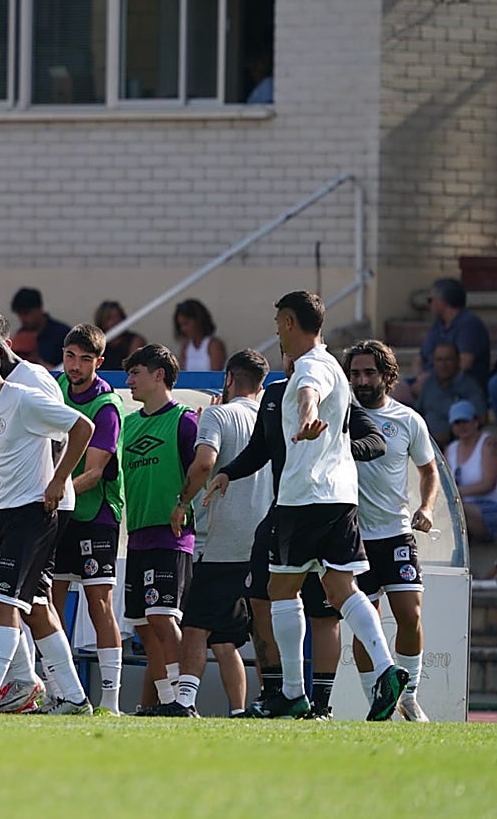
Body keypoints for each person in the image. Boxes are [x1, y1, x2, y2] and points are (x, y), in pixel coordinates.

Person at [252, 290, 407, 721]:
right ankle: (387, 669)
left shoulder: (310, 367)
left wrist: (305, 418)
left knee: (280, 589)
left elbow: (307, 394)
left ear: (287, 322)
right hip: (340, 496)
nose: (276, 331)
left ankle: (292, 692)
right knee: (342, 590)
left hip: (304, 497)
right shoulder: (332, 364)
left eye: (278, 322)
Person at [209, 352, 386, 721]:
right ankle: (277, 693)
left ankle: (319, 703)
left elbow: (375, 441)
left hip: (320, 505)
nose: (289, 354)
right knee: (262, 597)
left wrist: (335, 447)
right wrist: (228, 472)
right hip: (283, 511)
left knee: (326, 611)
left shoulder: (333, 390)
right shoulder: (274, 395)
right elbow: (259, 448)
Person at [0, 335, 95, 715]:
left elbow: (82, 427)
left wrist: (60, 479)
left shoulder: (25, 398)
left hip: (33, 512)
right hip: (2, 512)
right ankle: (76, 699)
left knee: (4, 600)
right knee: (36, 606)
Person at [171, 349, 271, 717]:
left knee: (195, 625)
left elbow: (204, 464)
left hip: (220, 541)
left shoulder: (217, 414)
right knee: (240, 635)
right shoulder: (269, 418)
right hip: (261, 541)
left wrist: (182, 502)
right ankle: (255, 706)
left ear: (228, 378)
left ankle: (183, 702)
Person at [345, 339, 439, 722]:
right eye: (355, 374)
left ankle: (409, 695)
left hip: (396, 532)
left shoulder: (408, 420)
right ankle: (376, 701)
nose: (361, 380)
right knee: (366, 620)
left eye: (369, 373)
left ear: (387, 375)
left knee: (410, 614)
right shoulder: (342, 415)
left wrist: (428, 507)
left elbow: (429, 470)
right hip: (354, 536)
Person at [50, 323, 125, 714]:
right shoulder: (56, 389)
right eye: (69, 356)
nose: (74, 366)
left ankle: (110, 700)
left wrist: (55, 488)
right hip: (59, 510)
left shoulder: (106, 406)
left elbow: (95, 471)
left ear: (99, 361)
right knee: (49, 599)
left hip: (95, 514)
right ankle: (61, 692)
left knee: (99, 602)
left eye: (84, 359)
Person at [120, 344, 198, 715]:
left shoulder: (185, 420)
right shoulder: (130, 423)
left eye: (136, 372)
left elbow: (201, 471)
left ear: (159, 375)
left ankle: (185, 698)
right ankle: (168, 702)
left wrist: (182, 505)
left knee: (163, 617)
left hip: (171, 536)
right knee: (143, 626)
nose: (129, 380)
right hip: (137, 534)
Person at [408, 279, 490, 397]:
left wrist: (428, 382)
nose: (428, 305)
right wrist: (419, 377)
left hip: (458, 385)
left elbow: (465, 363)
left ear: (442, 302)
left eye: (430, 300)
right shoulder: (438, 325)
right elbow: (420, 358)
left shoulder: (469, 324)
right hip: (429, 381)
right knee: (392, 389)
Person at [444, 400, 497, 544]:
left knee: (458, 511)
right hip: (462, 504)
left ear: (475, 421)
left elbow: (488, 484)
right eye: (457, 423)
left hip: (490, 505)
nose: (462, 426)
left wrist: (457, 493)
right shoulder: (451, 449)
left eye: (465, 421)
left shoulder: (488, 443)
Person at [417, 342, 486, 447]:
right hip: (426, 445)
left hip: (457, 445)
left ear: (458, 361)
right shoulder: (428, 384)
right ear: (434, 362)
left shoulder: (470, 386)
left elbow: (480, 418)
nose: (443, 364)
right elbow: (418, 411)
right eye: (439, 360)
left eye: (448, 359)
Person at [9, 287, 71, 368]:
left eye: (26, 313)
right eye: (20, 314)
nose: (23, 319)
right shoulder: (20, 335)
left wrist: (40, 364)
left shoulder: (62, 334)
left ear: (39, 309)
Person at [173, 299, 226, 372]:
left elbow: (216, 376)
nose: (183, 329)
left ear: (199, 320)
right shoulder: (185, 348)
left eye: (186, 324)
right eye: (180, 325)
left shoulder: (214, 345)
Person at [94, 300, 146, 371]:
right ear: (102, 321)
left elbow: (133, 370)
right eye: (110, 318)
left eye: (118, 316)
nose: (115, 321)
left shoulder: (135, 341)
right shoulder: (95, 343)